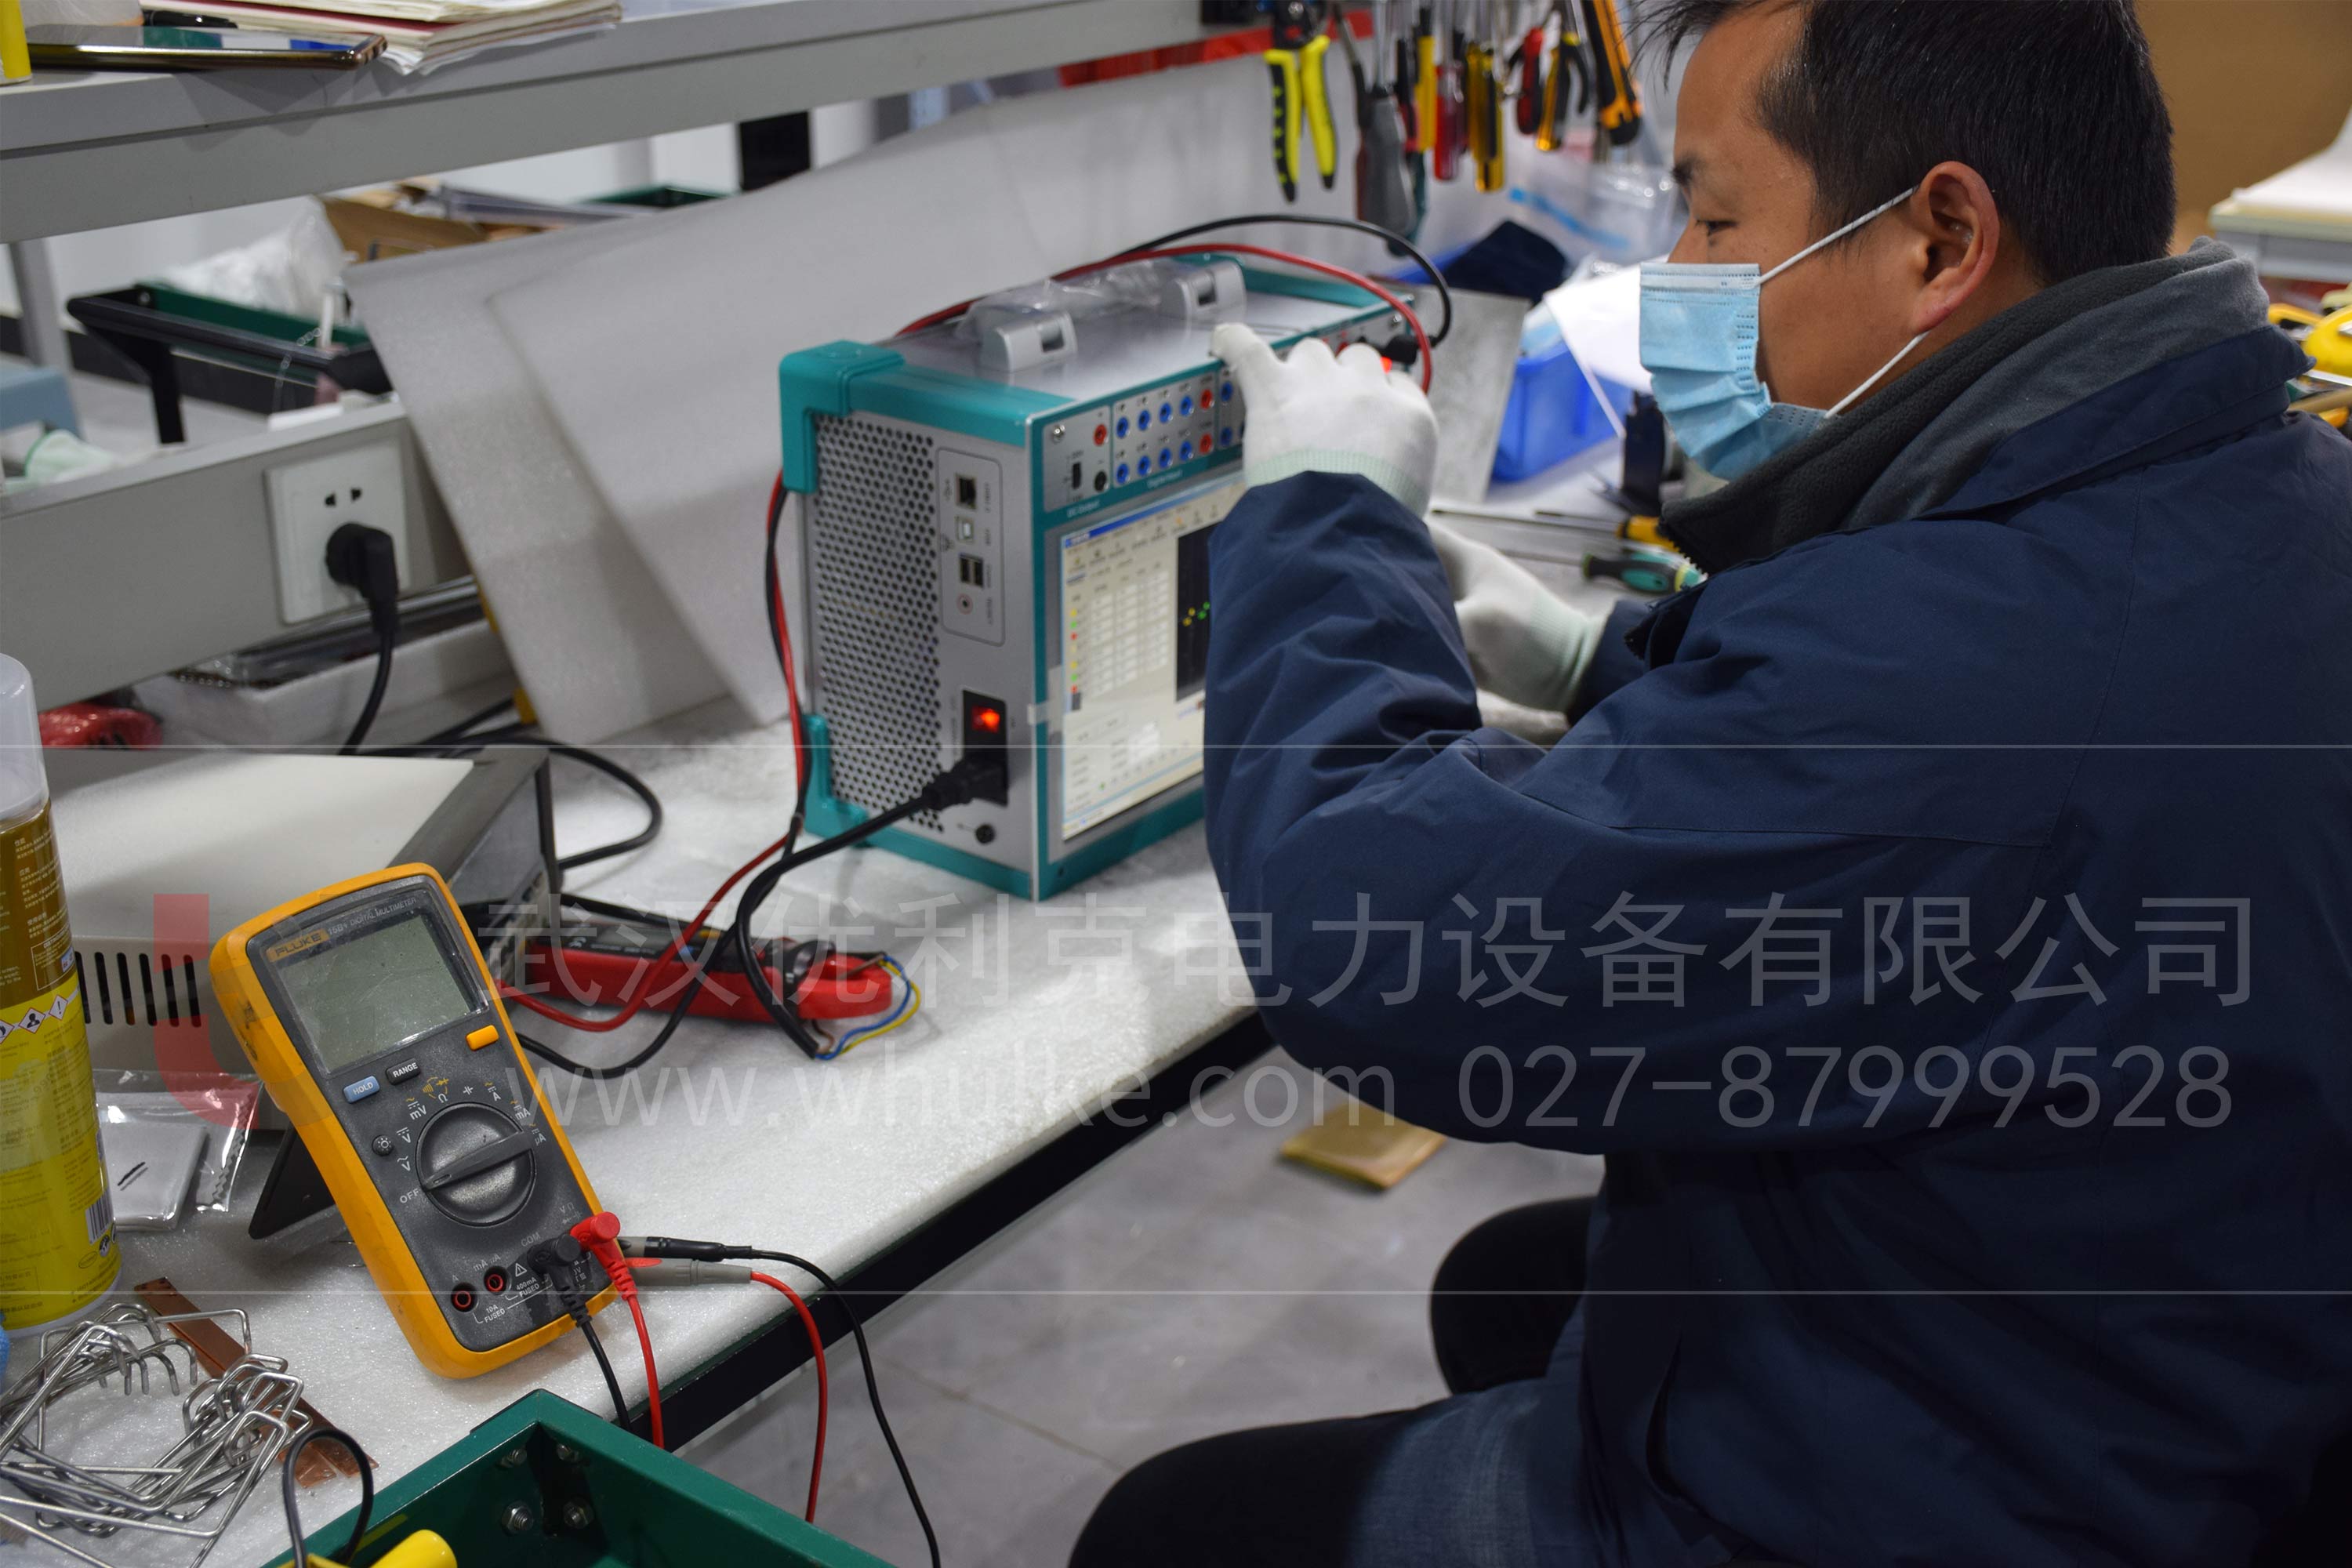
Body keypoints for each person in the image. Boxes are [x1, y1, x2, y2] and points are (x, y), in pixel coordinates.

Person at [1069, 1, 2352, 1565]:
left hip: (1981, 1497)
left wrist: (1324, 523)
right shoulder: (2268, 490)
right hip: (2184, 1358)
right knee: (1510, 1282)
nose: (1676, 270)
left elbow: (1373, 942)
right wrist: (1599, 658)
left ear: (1942, 239)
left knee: (1171, 1529)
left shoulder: (1955, 666)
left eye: (1718, 220)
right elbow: (1909, 743)